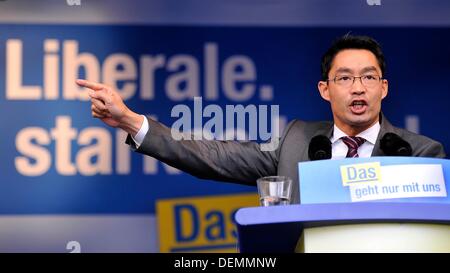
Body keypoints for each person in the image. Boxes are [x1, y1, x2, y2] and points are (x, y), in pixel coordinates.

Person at [76, 34, 446, 203]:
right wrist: (129, 120)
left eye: (368, 77)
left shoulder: (419, 153)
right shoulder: (298, 141)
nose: (358, 88)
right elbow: (215, 156)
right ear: (324, 89)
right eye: (344, 78)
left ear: (384, 87)